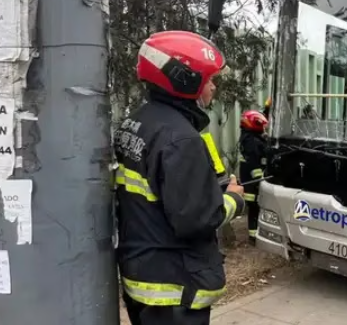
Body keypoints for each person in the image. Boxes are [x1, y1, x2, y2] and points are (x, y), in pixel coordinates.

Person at [113, 30, 245, 325]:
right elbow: (197, 218)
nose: (213, 88)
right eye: (209, 79)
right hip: (174, 287)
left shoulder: (138, 120)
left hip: (143, 276)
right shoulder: (181, 139)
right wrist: (234, 199)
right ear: (185, 79)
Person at [238, 106, 270, 243]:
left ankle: (255, 234)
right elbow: (254, 163)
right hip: (253, 182)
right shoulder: (252, 142)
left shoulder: (248, 137)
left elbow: (259, 117)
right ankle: (253, 236)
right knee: (255, 207)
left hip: (250, 180)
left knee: (255, 208)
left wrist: (268, 106)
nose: (263, 129)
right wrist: (259, 179)